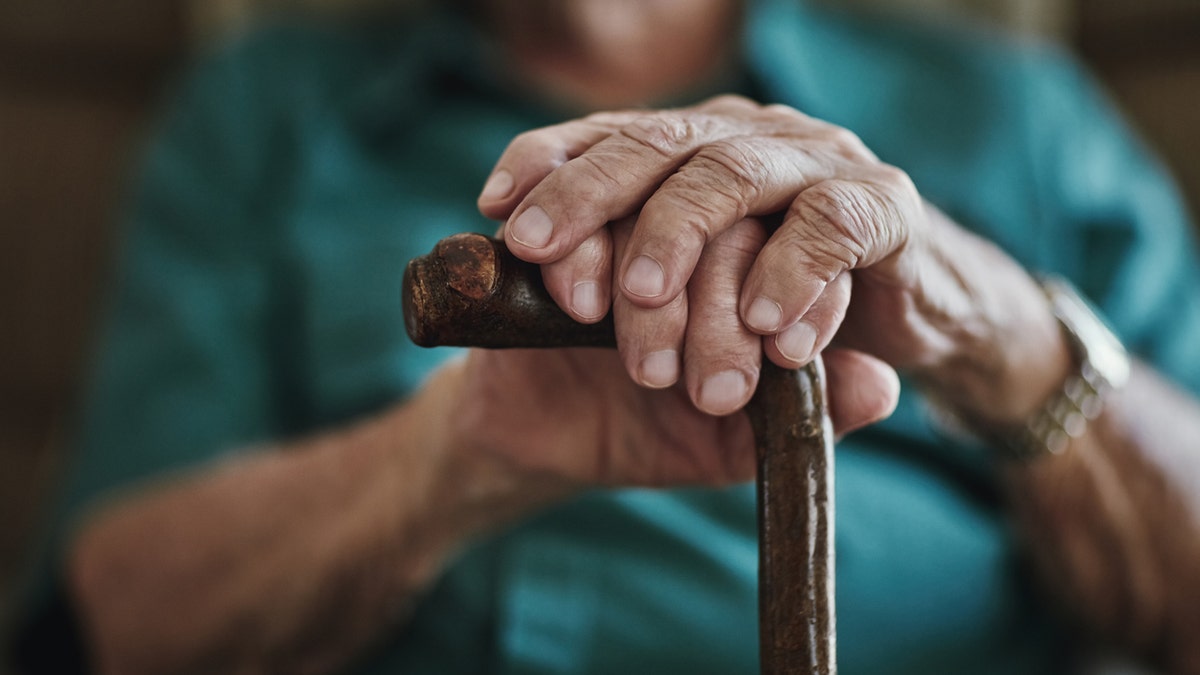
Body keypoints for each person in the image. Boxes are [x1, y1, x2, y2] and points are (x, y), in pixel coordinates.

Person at [11, 0, 1200, 673]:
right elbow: (108, 626)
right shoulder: (261, 113)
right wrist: (447, 462)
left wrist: (1000, 334)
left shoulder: (1016, 115)